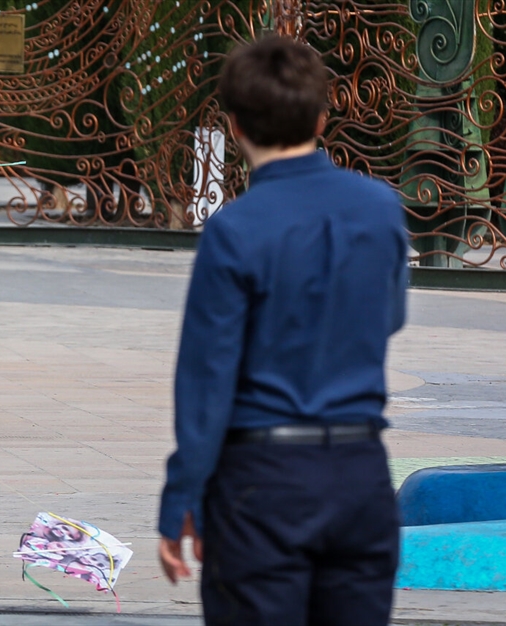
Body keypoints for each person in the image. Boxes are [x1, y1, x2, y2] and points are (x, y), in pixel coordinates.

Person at [157, 37, 409, 626]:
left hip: (262, 486)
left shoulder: (235, 230)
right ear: (323, 117)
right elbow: (389, 317)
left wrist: (182, 496)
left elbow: (206, 380)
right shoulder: (380, 208)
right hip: (361, 472)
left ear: (235, 124)